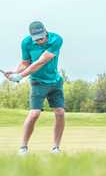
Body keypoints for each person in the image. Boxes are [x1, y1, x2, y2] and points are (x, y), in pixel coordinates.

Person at [5, 21, 65, 155]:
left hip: (55, 81)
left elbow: (41, 62)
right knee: (34, 114)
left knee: (60, 112)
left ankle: (56, 148)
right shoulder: (26, 43)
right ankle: (23, 148)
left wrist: (20, 76)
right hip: (37, 82)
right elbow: (25, 63)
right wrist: (15, 72)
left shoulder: (56, 39)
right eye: (36, 39)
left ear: (46, 32)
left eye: (41, 37)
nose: (39, 41)